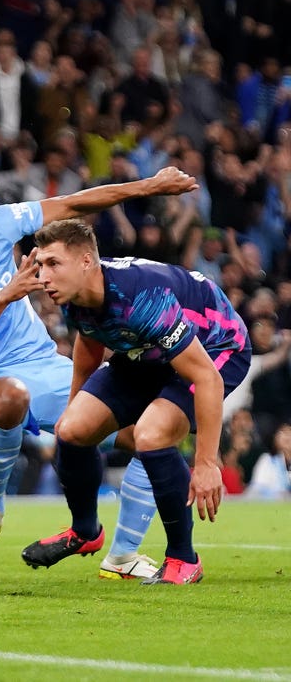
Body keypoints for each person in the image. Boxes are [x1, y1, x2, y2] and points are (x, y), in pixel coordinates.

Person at [0, 145, 197, 579]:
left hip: (48, 367)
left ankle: (122, 556)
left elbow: (72, 203)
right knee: (12, 396)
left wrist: (149, 186)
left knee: (148, 436)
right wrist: (5, 295)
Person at [25, 219, 251, 585]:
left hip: (216, 349)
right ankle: (85, 532)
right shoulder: (73, 294)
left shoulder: (142, 298)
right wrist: (74, 403)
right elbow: (89, 342)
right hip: (149, 353)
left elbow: (206, 377)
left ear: (85, 262)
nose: (43, 276)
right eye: (41, 266)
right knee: (72, 430)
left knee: (152, 433)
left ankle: (183, 558)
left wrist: (207, 462)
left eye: (53, 264)